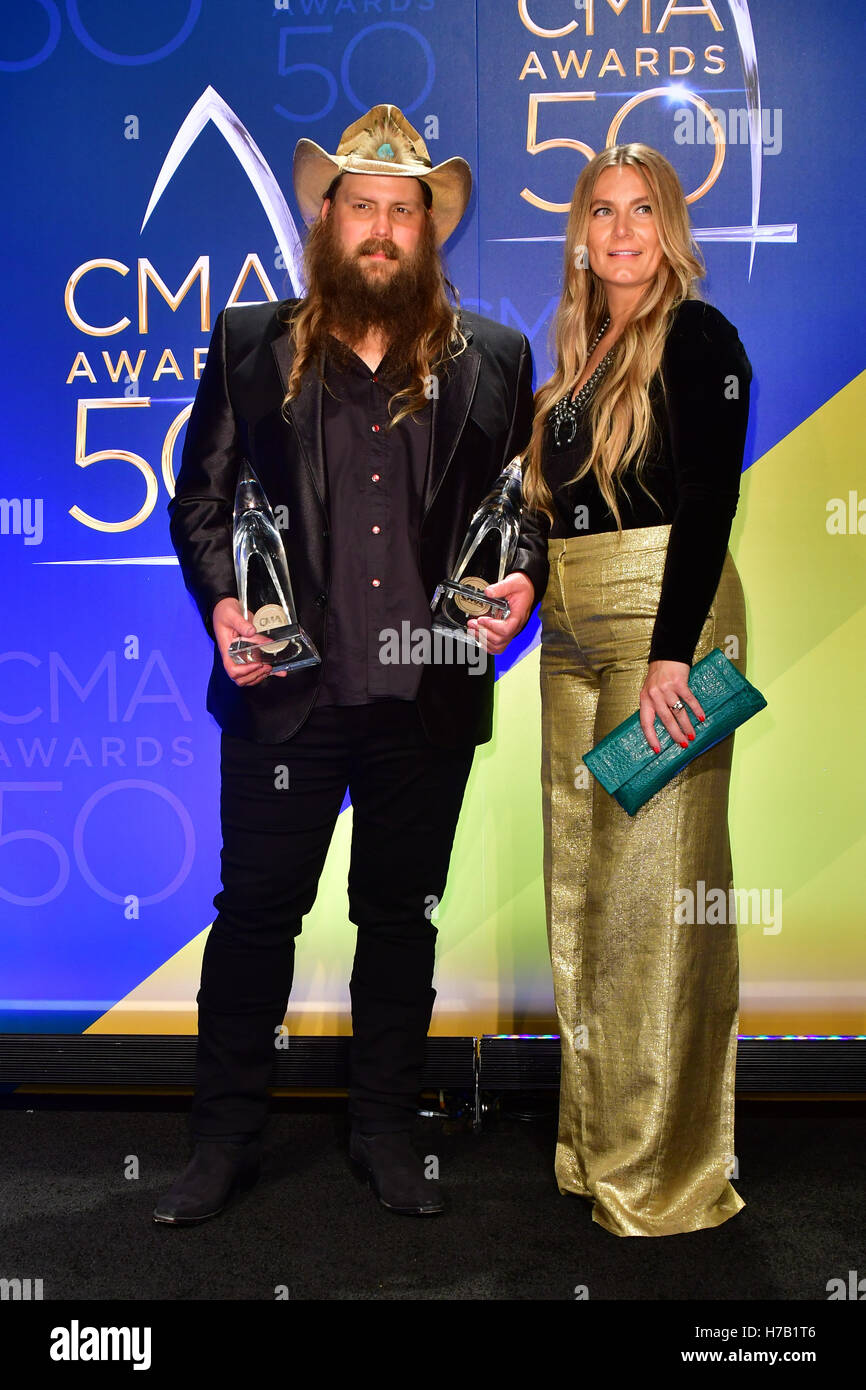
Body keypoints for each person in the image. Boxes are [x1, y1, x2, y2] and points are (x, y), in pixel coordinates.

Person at [156, 104, 548, 1224]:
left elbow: (509, 516)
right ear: (326, 218)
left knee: (399, 918)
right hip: (286, 693)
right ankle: (222, 1141)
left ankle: (383, 1131)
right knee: (254, 916)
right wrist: (224, 600)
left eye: (403, 212)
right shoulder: (247, 344)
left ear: (430, 233)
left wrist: (517, 576)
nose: (381, 228)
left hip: (422, 696)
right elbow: (201, 501)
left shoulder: (497, 360)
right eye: (361, 206)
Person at [523, 143, 753, 1236]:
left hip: (668, 629)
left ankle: (660, 1180)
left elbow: (707, 500)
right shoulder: (569, 368)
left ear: (669, 228)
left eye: (640, 210)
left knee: (651, 907)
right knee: (581, 893)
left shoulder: (699, 339)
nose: (619, 230)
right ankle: (595, 1150)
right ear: (579, 234)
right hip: (568, 635)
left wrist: (672, 654)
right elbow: (541, 520)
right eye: (601, 211)